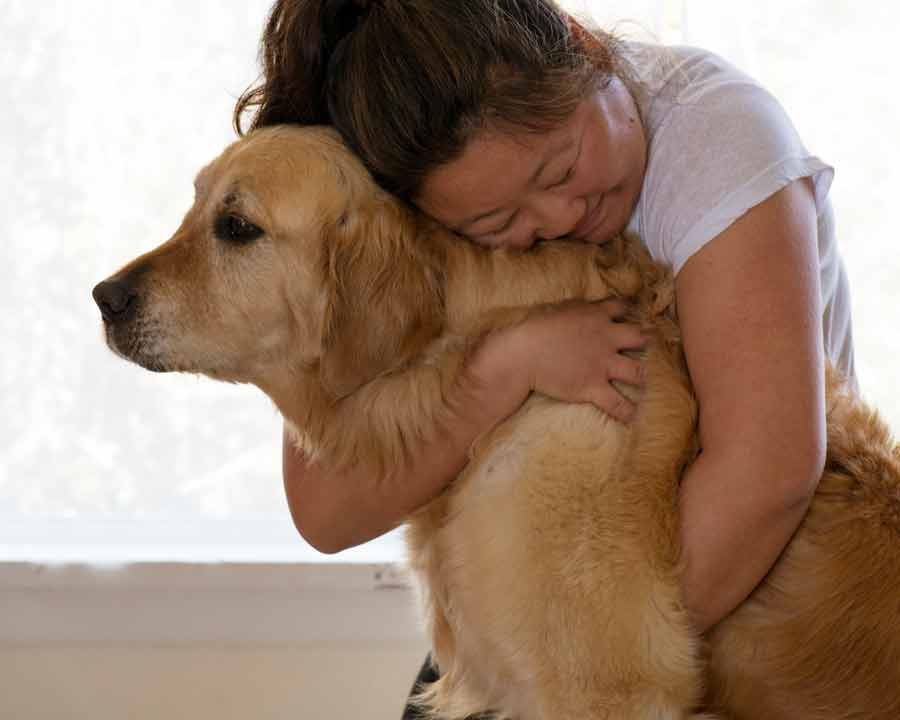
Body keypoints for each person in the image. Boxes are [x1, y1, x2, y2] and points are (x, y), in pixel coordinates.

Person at [233, 0, 857, 714]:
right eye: (496, 225)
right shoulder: (413, 200)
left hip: (728, 624)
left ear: (585, 48)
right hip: (535, 629)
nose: (559, 220)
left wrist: (587, 668)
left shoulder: (717, 137)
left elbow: (768, 476)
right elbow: (326, 510)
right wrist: (506, 368)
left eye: (561, 167)